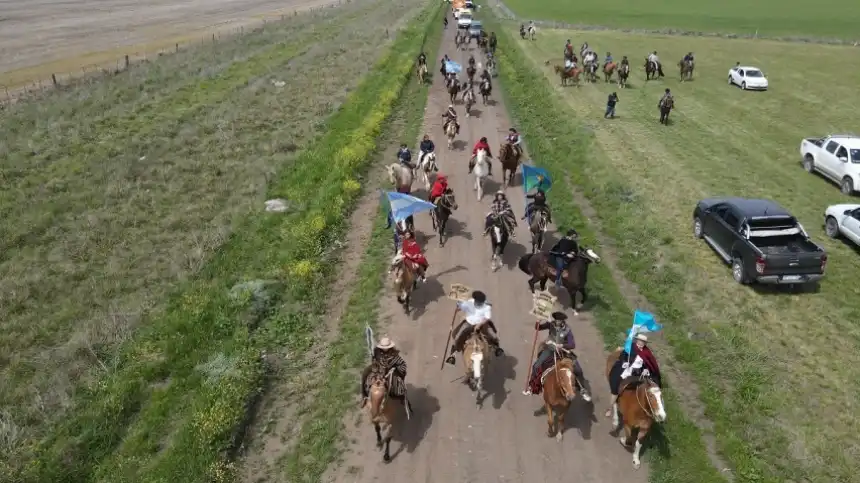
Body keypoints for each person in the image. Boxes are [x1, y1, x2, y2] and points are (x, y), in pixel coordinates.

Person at [523, 312, 590, 400]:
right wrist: (538, 321)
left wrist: (562, 345)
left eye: (559, 321)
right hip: (550, 349)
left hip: (563, 352)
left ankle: (582, 389)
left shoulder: (567, 330)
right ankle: (532, 387)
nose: (557, 322)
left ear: (562, 321)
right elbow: (538, 328)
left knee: (578, 370)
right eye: (556, 320)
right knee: (536, 365)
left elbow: (572, 344)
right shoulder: (550, 324)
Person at [605, 332, 662, 417]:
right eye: (640, 341)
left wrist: (646, 369)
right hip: (627, 369)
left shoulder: (647, 351)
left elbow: (649, 363)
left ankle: (654, 406)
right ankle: (610, 407)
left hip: (639, 372)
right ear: (637, 340)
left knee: (651, 385)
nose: (641, 343)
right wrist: (625, 362)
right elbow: (623, 356)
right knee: (616, 385)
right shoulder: (630, 347)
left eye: (643, 342)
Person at [446, 290, 503, 365]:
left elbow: (486, 318)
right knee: (458, 336)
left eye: (481, 302)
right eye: (478, 302)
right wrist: (458, 306)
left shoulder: (486, 306)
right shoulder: (469, 302)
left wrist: (479, 325)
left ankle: (496, 348)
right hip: (469, 323)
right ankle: (453, 355)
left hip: (482, 324)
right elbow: (460, 308)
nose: (479, 304)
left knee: (491, 334)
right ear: (475, 300)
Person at [360, 336, 408, 407]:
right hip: (377, 368)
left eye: (386, 347)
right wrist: (373, 358)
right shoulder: (376, 351)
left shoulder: (394, 355)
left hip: (389, 371)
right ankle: (364, 396)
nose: (385, 349)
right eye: (383, 347)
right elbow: (374, 360)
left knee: (397, 385)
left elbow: (403, 365)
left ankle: (402, 398)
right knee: (365, 373)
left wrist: (395, 369)